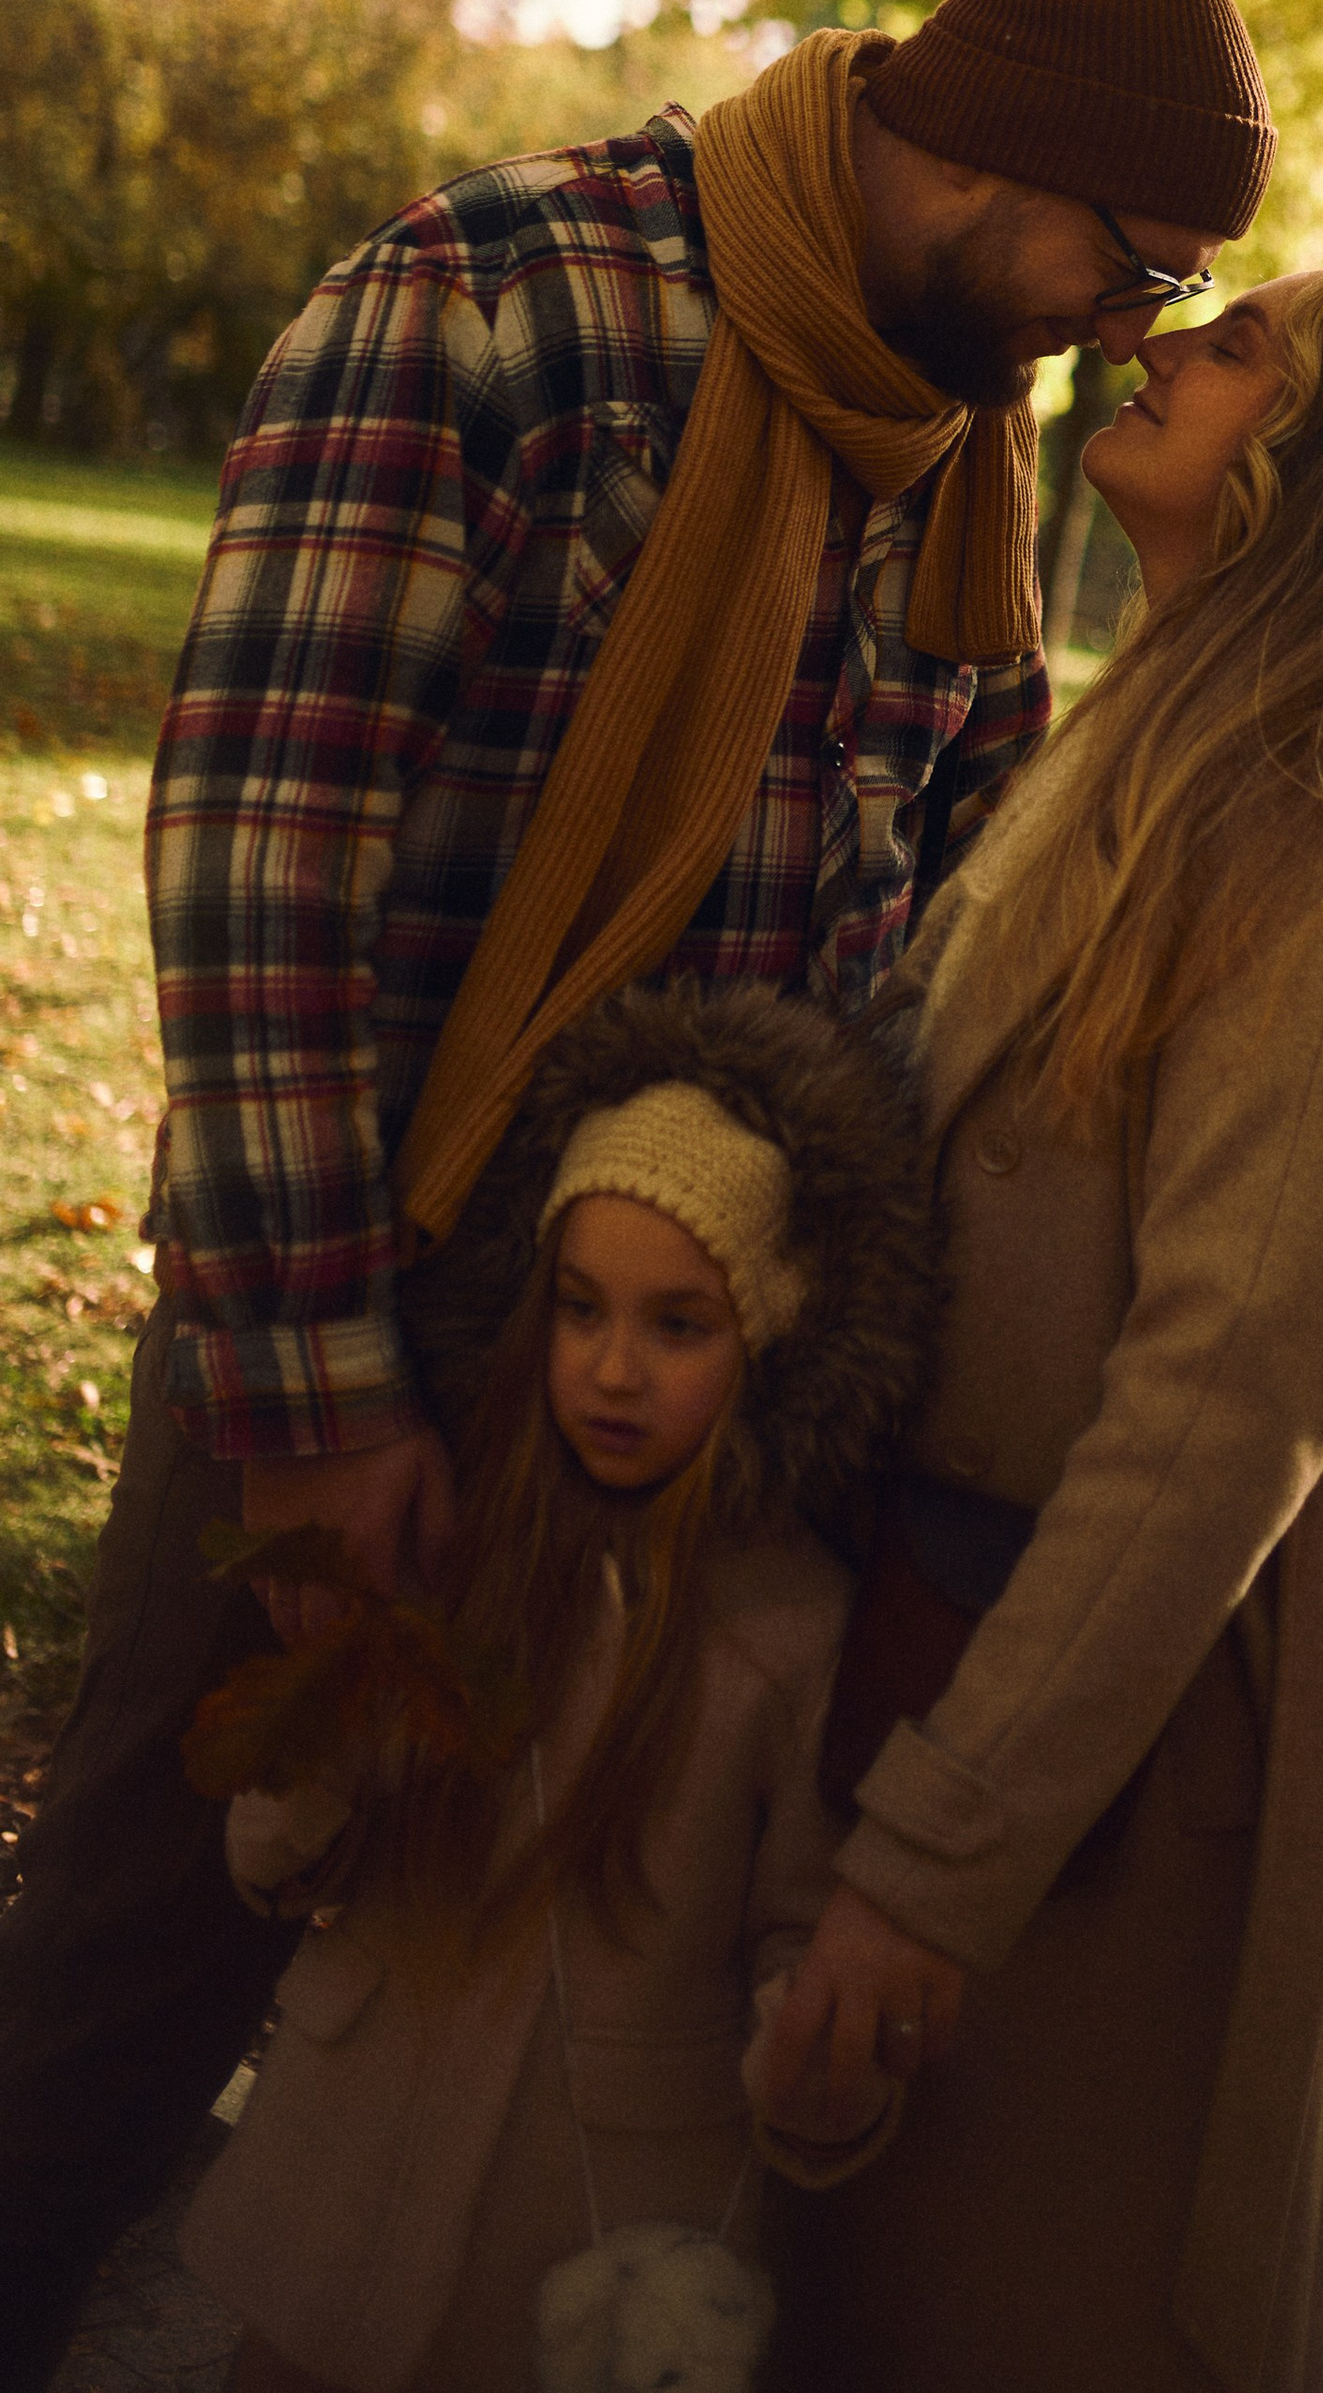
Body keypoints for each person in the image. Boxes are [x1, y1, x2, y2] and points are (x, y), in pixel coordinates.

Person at [0, 0, 1273, 2390]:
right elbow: (259, 871)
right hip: (364, 1317)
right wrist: (319, 1398)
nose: (1125, 330)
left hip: (686, 1389)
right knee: (153, 1950)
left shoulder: (954, 446)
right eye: (1127, 268)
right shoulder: (494, 304)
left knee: (542, 2014)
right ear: (1004, 161)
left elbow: (927, 919)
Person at [753, 262, 1323, 2393]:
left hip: (1160, 1762)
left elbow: (1222, 1414)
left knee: (1057, 2308)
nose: (1153, 350)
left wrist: (937, 1865)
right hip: (954, 1635)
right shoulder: (1153, 732)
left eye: (1235, 353)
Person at [185, 974, 934, 2393]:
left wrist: (816, 2060)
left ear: (767, 1339)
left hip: (585, 2225)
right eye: (581, 1309)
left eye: (677, 1326)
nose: (609, 1368)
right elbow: (300, 1857)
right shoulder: (466, 1554)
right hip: (350, 2178)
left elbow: (798, 1932)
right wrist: (310, 1767)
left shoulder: (793, 1633)